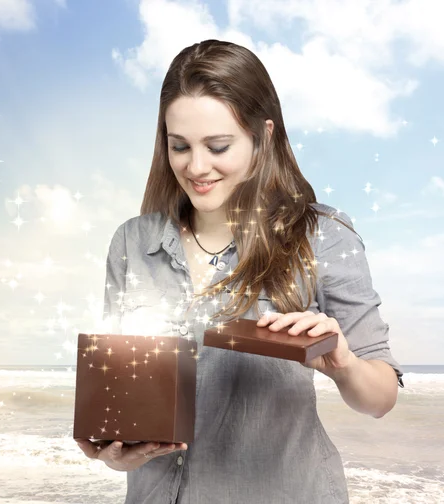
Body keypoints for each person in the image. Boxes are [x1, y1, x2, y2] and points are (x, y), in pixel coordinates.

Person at [75, 39, 404, 504]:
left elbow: (381, 398)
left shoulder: (323, 236)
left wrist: (344, 362)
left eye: (218, 146)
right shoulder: (133, 243)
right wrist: (114, 453)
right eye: (179, 146)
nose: (196, 166)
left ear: (263, 136)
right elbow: (123, 406)